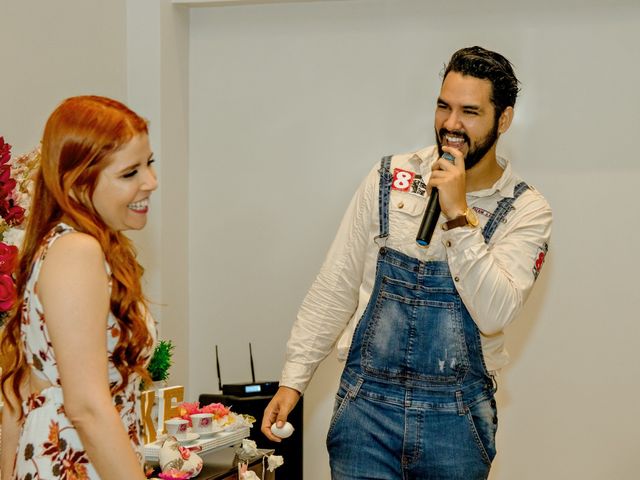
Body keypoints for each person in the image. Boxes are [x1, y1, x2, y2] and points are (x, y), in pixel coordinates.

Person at [262, 46, 552, 479]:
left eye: (469, 112)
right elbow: (335, 285)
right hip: (366, 414)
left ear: (503, 119)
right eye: (443, 106)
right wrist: (293, 378)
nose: (451, 125)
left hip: (456, 421)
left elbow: (495, 314)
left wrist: (458, 216)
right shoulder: (390, 177)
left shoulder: (527, 210)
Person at [0, 96, 158, 479]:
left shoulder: (67, 246)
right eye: (129, 173)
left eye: (149, 164)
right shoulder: (76, 251)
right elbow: (87, 407)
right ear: (77, 183)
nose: (150, 183)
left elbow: (18, 392)